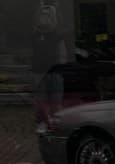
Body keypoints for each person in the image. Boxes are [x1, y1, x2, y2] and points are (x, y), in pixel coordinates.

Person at [32, 0, 68, 128]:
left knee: (55, 99)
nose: (45, 18)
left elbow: (63, 54)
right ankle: (43, 121)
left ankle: (54, 121)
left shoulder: (57, 35)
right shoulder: (36, 33)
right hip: (41, 71)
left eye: (48, 16)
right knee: (42, 99)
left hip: (53, 71)